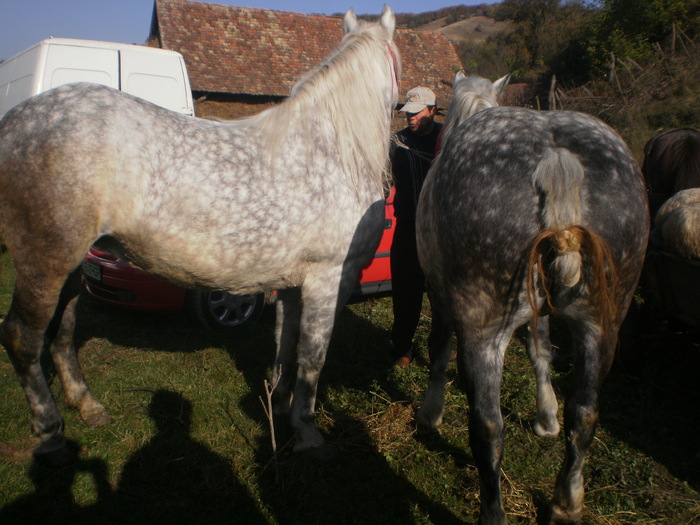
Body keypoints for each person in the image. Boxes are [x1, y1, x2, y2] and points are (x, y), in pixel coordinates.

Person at [390, 86, 442, 367]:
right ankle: (403, 348)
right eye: (408, 113)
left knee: (442, 294)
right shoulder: (397, 142)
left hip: (439, 230)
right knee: (405, 291)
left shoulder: (447, 137)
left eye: (417, 112)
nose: (411, 118)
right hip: (407, 228)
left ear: (433, 110)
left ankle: (440, 348)